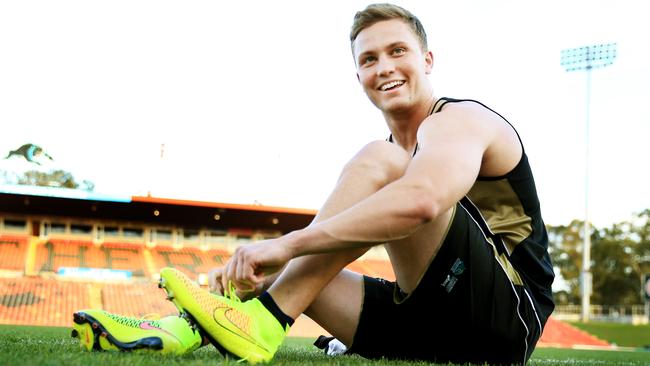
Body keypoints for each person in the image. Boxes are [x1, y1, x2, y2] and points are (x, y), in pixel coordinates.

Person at [76, 3, 555, 364]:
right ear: (359, 76)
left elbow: (423, 202)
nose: (383, 67)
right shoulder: (394, 147)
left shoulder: (459, 121)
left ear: (427, 59)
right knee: (274, 272)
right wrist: (279, 257)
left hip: (505, 321)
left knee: (377, 164)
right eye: (369, 60)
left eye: (397, 51)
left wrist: (287, 244)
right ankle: (176, 330)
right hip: (429, 323)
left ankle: (265, 322)